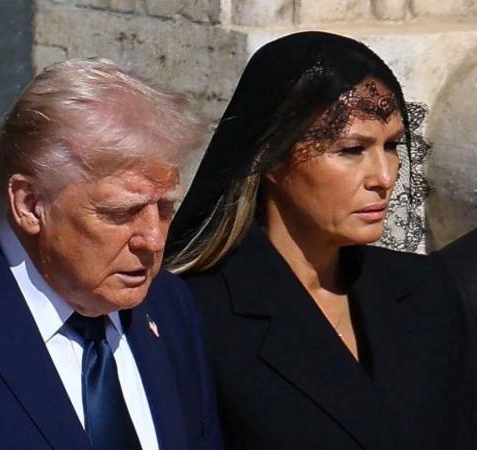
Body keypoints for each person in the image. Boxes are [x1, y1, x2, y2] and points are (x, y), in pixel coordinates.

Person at [0, 59, 223, 450]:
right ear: (29, 204)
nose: (154, 239)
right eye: (120, 213)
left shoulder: (169, 306)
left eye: (164, 208)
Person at [166, 31, 474, 450]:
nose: (384, 177)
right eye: (351, 149)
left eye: (391, 146)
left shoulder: (424, 290)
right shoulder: (195, 314)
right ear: (271, 156)